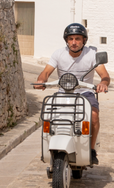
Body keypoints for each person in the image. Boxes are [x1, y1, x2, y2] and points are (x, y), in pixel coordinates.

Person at [34, 23, 110, 165]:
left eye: (77, 39)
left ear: (84, 41)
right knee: (48, 116)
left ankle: (91, 150)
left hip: (85, 93)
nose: (74, 42)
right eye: (70, 39)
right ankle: (48, 147)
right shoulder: (58, 54)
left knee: (93, 116)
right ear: (66, 40)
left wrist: (103, 83)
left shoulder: (92, 55)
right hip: (63, 93)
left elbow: (104, 75)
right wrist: (41, 80)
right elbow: (46, 72)